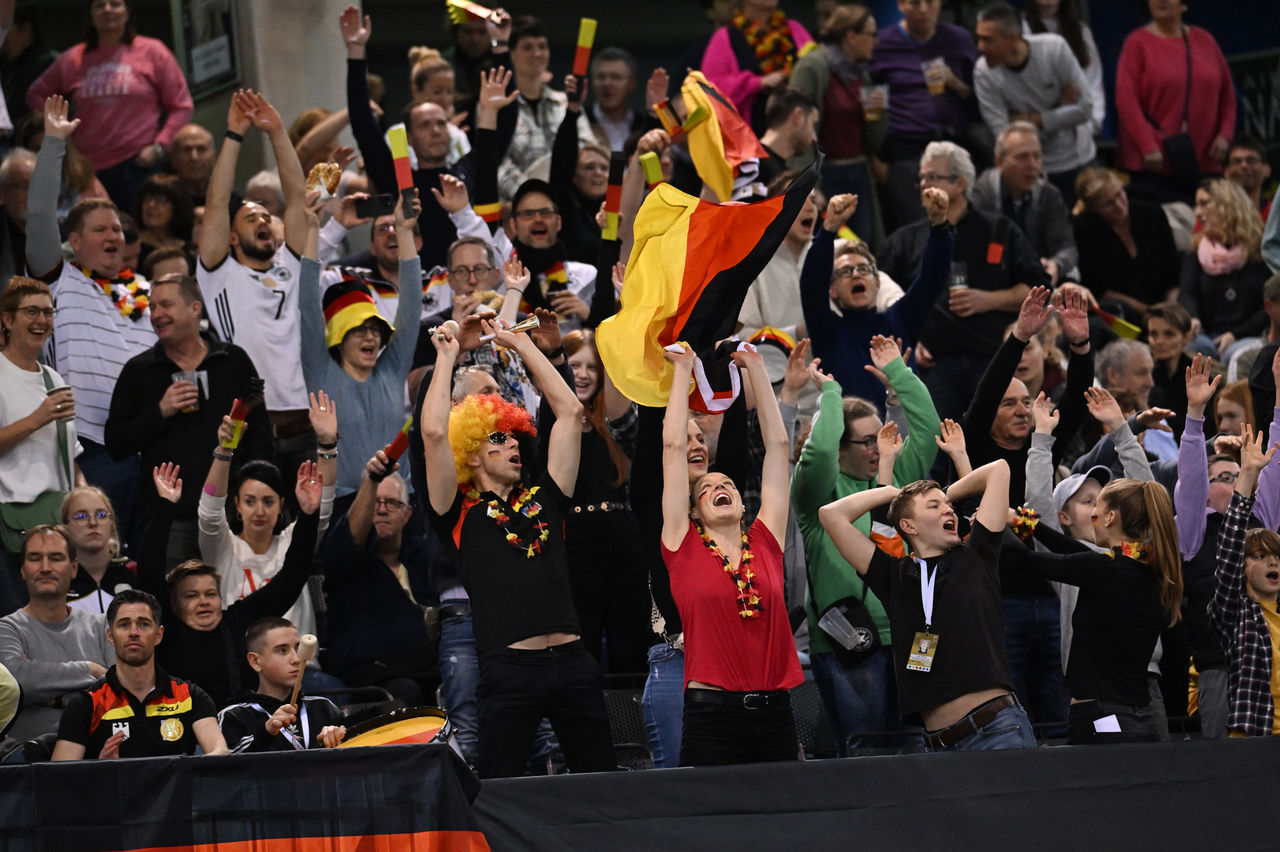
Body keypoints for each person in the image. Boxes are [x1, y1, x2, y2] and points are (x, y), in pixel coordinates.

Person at [421, 317, 615, 779]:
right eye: (496, 437)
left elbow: (569, 413)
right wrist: (447, 358)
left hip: (573, 664)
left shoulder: (547, 498)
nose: (511, 444)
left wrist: (524, 345)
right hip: (508, 669)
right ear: (469, 452)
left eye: (513, 436)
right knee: (500, 792)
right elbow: (431, 434)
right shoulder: (458, 511)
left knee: (603, 785)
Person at [818, 459, 1037, 751]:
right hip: (938, 745)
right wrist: (893, 493)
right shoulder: (894, 577)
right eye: (934, 506)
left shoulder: (977, 554)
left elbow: (998, 469)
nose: (948, 510)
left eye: (948, 506)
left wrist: (946, 493)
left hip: (998, 729)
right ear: (908, 525)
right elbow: (831, 515)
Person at [792, 336, 944, 755]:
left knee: (918, 746)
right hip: (849, 642)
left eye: (882, 437)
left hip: (910, 635)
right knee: (865, 752)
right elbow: (818, 451)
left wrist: (898, 372)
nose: (879, 448)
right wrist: (830, 394)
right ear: (842, 447)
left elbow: (929, 429)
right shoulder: (817, 492)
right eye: (866, 442)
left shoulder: (900, 479)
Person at [660, 341, 801, 766]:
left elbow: (778, 448)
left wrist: (757, 368)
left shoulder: (765, 540)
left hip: (776, 712)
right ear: (694, 510)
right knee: (711, 828)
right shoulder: (681, 543)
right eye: (707, 489)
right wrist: (682, 372)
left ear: (743, 505)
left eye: (729, 487)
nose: (719, 489)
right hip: (711, 716)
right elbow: (672, 450)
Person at [27, 97, 154, 543]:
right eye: (101, 230)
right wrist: (54, 145)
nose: (113, 236)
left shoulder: (143, 289)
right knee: (97, 554)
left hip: (154, 447)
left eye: (118, 229)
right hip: (92, 448)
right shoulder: (60, 282)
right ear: (74, 242)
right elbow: (39, 217)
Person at [105, 272, 273, 565]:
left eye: (166, 305)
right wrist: (160, 411)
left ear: (195, 309)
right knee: (174, 605)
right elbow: (117, 443)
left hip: (232, 513)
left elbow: (261, 435)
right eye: (153, 307)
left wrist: (253, 497)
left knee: (237, 602)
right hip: (169, 518)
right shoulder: (139, 370)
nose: (157, 315)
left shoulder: (234, 360)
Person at [1005, 468, 1181, 744]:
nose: (1092, 515)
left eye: (1096, 506)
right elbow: (1072, 550)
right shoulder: (1152, 572)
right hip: (1142, 718)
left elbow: (1025, 561)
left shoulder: (1101, 569)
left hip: (1103, 720)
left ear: (1110, 517)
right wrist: (1024, 523)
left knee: (1099, 785)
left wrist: (993, 525)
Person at [878, 141, 1049, 423]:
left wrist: (988, 300)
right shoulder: (905, 240)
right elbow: (882, 294)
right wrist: (910, 336)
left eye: (933, 177)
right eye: (921, 177)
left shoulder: (1000, 229)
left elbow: (1039, 289)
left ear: (959, 184)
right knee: (938, 447)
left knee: (995, 441)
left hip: (993, 358)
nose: (923, 184)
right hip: (934, 364)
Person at [197, 89, 312, 477]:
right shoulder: (220, 274)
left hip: (304, 424)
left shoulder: (290, 265)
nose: (263, 221)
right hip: (249, 425)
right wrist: (234, 135)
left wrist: (278, 131)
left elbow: (298, 199)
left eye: (266, 216)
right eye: (251, 218)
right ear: (230, 237)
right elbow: (215, 204)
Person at [140, 462, 321, 708]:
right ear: (174, 603)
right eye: (191, 595)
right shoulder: (167, 631)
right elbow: (149, 572)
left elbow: (291, 579)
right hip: (187, 732)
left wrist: (308, 516)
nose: (204, 601)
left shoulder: (237, 621)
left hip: (244, 728)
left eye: (211, 594)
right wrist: (165, 507)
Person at [300, 190, 422, 499]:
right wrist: (313, 230)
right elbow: (307, 306)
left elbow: (411, 307)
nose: (370, 336)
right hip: (341, 506)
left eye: (374, 328)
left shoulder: (391, 369)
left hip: (399, 503)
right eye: (358, 330)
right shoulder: (321, 372)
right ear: (339, 339)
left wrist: (404, 231)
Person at [199, 392, 335, 656]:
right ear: (237, 505)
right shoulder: (223, 548)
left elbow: (323, 505)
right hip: (242, 668)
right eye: (250, 501)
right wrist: (224, 451)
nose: (259, 511)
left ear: (282, 506)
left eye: (268, 502)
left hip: (302, 672)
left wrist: (328, 445)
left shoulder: (291, 543)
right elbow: (209, 513)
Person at [26, 0, 193, 213]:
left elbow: (182, 106)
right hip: (87, 169)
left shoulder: (153, 51)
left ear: (127, 12)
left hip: (139, 164)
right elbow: (36, 95)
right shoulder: (72, 59)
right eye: (99, 5)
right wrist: (60, 131)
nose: (107, 10)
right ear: (91, 14)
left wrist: (160, 146)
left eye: (115, 4)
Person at [340, 6, 475, 268]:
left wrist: (502, 47)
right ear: (409, 137)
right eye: (425, 126)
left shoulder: (466, 172)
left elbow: (499, 135)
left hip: (466, 285)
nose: (436, 131)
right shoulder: (401, 184)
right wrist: (356, 53)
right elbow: (364, 127)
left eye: (441, 124)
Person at [799, 188, 952, 407]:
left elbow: (933, 276)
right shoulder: (827, 330)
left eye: (863, 268)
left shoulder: (901, 318)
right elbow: (811, 284)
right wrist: (829, 229)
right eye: (844, 271)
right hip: (850, 436)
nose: (855, 274)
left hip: (907, 434)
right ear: (831, 290)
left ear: (877, 282)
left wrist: (939, 225)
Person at [552, 329, 648, 675]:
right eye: (574, 364)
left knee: (632, 644)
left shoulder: (619, 420)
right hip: (575, 544)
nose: (583, 374)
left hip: (626, 540)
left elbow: (625, 417)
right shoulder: (550, 420)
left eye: (593, 367)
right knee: (583, 644)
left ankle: (634, 723)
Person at [51, 588, 227, 759]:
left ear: (159, 635)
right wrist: (101, 769)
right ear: (110, 636)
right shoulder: (87, 704)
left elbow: (220, 754)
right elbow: (60, 779)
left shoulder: (190, 696)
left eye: (143, 624)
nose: (134, 633)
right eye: (124, 624)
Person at [323, 452, 438, 707]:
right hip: (370, 674)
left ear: (407, 514)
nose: (382, 509)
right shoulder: (346, 559)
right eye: (375, 501)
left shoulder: (423, 558)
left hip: (429, 667)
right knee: (405, 693)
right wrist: (372, 481)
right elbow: (350, 540)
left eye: (392, 503)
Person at [868, 0, 982, 233]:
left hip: (954, 145)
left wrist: (956, 84)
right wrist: (874, 159)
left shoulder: (959, 39)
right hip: (905, 150)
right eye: (915, 3)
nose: (923, 10)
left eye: (929, 2)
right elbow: (867, 102)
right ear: (901, 4)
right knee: (915, 230)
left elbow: (980, 101)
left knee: (964, 225)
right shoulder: (882, 43)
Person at [0, 524, 112, 750]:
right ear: (22, 569)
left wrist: (57, 699)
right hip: (27, 759)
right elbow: (17, 682)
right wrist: (90, 670)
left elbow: (119, 692)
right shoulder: (6, 629)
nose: (45, 567)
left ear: (73, 568)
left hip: (100, 754)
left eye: (55, 558)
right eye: (34, 558)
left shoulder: (102, 626)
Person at [973, 2, 1093, 205]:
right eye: (979, 38)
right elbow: (1005, 139)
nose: (980, 47)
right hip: (1031, 172)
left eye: (988, 40)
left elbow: (1085, 108)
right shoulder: (983, 72)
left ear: (1012, 39)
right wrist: (1059, 111)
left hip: (1078, 159)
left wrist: (1030, 120)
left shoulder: (1053, 49)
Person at [1116, 0, 1235, 202]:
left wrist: (1224, 136)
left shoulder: (1205, 40)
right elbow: (1126, 101)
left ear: (1184, 4)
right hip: (1155, 166)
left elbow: (1228, 96)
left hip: (1205, 161)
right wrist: (1147, 146)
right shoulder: (1136, 43)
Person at [0, 277, 82, 563]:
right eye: (32, 312)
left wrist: (85, 504)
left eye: (48, 312)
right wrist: (37, 419)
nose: (42, 320)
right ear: (7, 320)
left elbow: (70, 457)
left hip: (57, 523)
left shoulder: (52, 377)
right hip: (9, 524)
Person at [790, 3, 881, 244]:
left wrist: (877, 113)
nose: (875, 41)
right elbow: (796, 128)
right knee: (827, 245)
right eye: (871, 34)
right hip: (825, 175)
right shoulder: (813, 67)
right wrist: (806, 183)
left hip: (858, 172)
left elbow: (874, 139)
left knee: (862, 244)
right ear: (851, 36)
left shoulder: (861, 72)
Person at [1210, 424, 1280, 737]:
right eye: (1260, 556)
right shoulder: (1236, 614)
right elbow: (1228, 551)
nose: (1272, 561)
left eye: (1275, 555)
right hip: (1256, 739)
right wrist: (1247, 477)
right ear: (1242, 567)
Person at [495, 15, 598, 201]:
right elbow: (497, 162)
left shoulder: (566, 102)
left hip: (568, 202)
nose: (537, 54)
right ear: (511, 54)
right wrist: (533, 197)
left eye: (542, 46)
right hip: (518, 208)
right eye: (528, 47)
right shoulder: (497, 105)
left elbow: (588, 149)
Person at [970, 123, 1078, 286]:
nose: (1032, 165)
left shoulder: (1049, 194)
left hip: (1039, 281)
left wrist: (1056, 264)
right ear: (999, 162)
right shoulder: (982, 195)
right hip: (995, 282)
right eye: (1022, 157)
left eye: (1037, 156)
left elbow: (1066, 246)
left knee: (1074, 280)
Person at [217, 617, 346, 752]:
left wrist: (336, 739)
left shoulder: (324, 708)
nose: (296, 659)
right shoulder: (234, 716)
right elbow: (229, 766)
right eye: (282, 650)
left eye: (298, 648)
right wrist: (266, 732)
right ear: (255, 661)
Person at [1072, 167, 1180, 322]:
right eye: (1108, 204)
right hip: (1120, 313)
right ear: (1093, 209)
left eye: (1119, 194)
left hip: (1166, 306)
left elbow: (1174, 276)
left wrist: (1169, 310)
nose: (1119, 206)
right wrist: (1149, 312)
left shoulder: (1153, 214)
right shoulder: (1083, 229)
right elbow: (1099, 289)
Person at [1178, 179, 1270, 361]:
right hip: (1206, 334)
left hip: (1250, 335)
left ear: (1228, 205)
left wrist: (1235, 334)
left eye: (1204, 203)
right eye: (1196, 205)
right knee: (1193, 350)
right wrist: (1193, 318)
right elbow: (1186, 294)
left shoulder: (1262, 251)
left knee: (1235, 355)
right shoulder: (1196, 251)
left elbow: (1271, 305)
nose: (1197, 212)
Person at [700, 0, 814, 132]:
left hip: (798, 128)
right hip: (752, 135)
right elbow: (710, 89)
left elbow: (816, 71)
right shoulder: (725, 37)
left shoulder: (795, 29)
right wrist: (757, 83)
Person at [1022, 0, 1104, 135]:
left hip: (1080, 133)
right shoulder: (1020, 31)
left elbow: (1093, 84)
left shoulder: (1082, 32)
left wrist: (1089, 126)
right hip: (1038, 131)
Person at [61, 487, 134, 613]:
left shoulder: (132, 572)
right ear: (66, 528)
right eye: (81, 516)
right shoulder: (59, 578)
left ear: (111, 525)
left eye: (101, 515)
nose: (93, 523)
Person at [587, 47, 646, 152]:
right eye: (601, 77)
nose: (607, 83)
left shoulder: (643, 126)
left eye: (616, 77)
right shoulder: (580, 122)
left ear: (631, 83)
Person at [134, 173, 193, 269]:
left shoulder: (188, 248)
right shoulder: (134, 246)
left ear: (176, 206)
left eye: (160, 199)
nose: (151, 205)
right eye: (147, 198)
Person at [1223, 137, 1272, 221]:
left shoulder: (1275, 215)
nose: (1244, 166)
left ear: (1267, 170)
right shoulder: (1212, 215)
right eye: (1237, 161)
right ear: (1226, 172)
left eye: (1251, 160)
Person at [167, 123, 217, 206]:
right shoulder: (160, 202)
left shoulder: (231, 201)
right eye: (186, 150)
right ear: (173, 158)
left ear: (214, 157)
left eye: (201, 149)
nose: (194, 157)